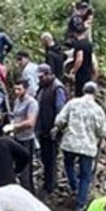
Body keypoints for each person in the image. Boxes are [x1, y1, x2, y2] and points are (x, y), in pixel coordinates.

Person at [54, 81, 106, 211]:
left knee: (68, 164)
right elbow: (102, 133)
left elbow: (59, 121)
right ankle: (81, 203)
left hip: (70, 143)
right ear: (95, 93)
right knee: (85, 175)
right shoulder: (98, 110)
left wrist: (61, 128)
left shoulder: (72, 103)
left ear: (83, 90)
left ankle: (73, 185)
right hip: (88, 146)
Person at [35, 64, 68, 197]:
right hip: (42, 128)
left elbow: (60, 110)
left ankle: (50, 185)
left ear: (49, 74)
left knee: (51, 158)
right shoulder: (43, 87)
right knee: (45, 157)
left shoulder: (57, 88)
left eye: (42, 77)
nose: (40, 80)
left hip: (51, 129)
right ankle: (47, 183)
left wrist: (56, 127)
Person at [5, 79, 38, 191]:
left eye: (19, 89)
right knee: (17, 167)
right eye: (15, 89)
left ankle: (28, 192)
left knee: (26, 170)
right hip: (16, 138)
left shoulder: (31, 103)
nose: (16, 92)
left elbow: (31, 122)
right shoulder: (17, 101)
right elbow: (15, 116)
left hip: (26, 139)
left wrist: (15, 126)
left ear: (26, 89)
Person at [68, 29, 97, 98]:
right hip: (88, 74)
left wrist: (73, 70)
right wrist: (95, 72)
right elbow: (93, 60)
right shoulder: (88, 44)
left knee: (79, 94)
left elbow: (80, 59)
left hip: (81, 75)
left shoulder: (79, 45)